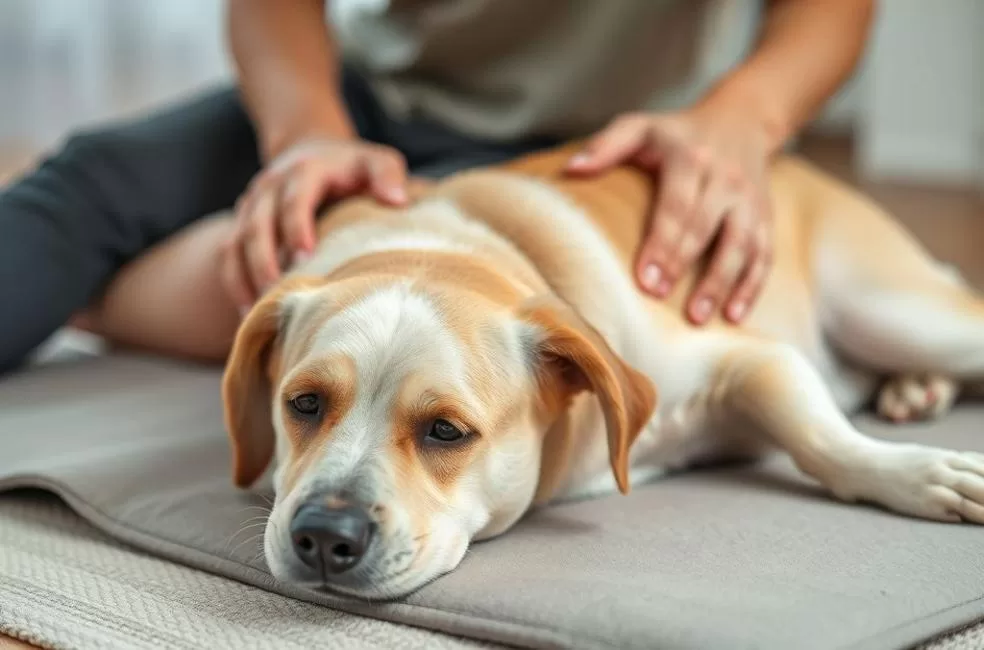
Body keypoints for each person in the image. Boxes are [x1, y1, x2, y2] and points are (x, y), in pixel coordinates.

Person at [0, 0, 875, 375]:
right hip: (374, 97)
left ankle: (91, 296)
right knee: (88, 184)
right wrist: (307, 134)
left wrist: (743, 120)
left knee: (310, 291)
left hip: (594, 148)